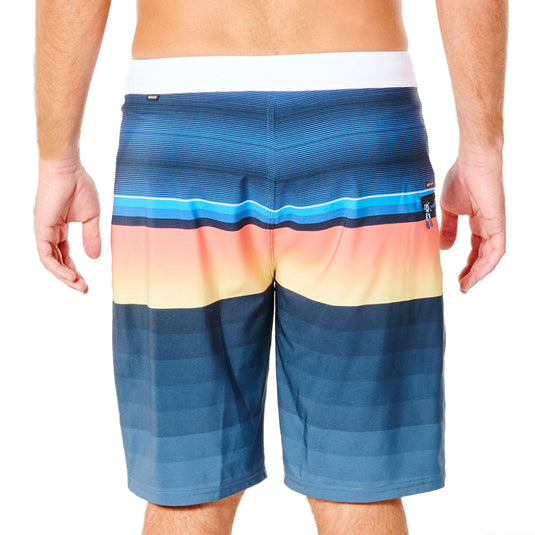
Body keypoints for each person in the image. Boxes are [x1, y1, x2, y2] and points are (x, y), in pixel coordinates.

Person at [32, 0, 507, 533]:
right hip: (358, 116)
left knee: (186, 490)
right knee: (359, 487)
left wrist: (57, 159)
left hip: (183, 127)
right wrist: (482, 150)